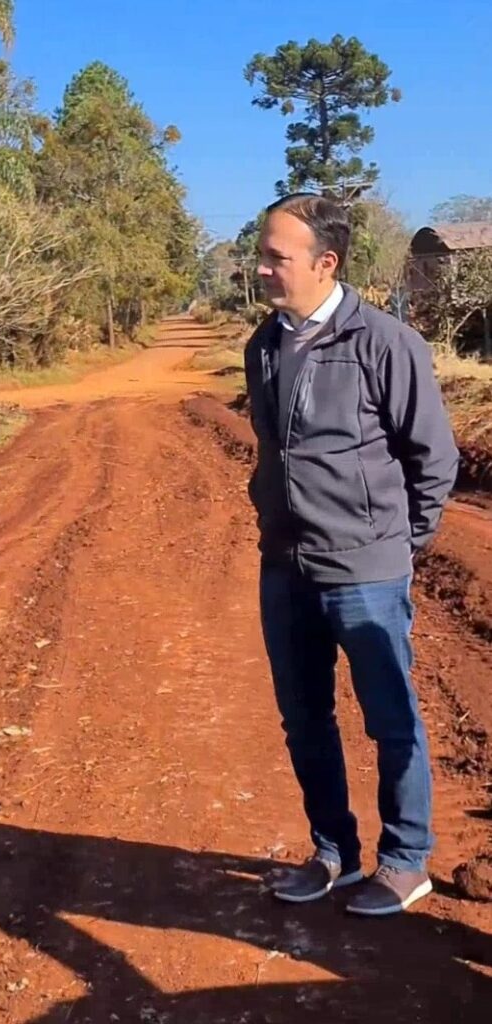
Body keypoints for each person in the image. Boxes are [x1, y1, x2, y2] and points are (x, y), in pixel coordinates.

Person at [244, 194, 458, 916]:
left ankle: (405, 860)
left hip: (365, 570)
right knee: (303, 718)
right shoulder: (263, 345)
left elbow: (433, 460)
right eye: (262, 254)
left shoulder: (385, 342)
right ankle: (333, 852)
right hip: (286, 567)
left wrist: (396, 546)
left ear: (325, 263)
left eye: (275, 257)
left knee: (389, 719)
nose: (261, 268)